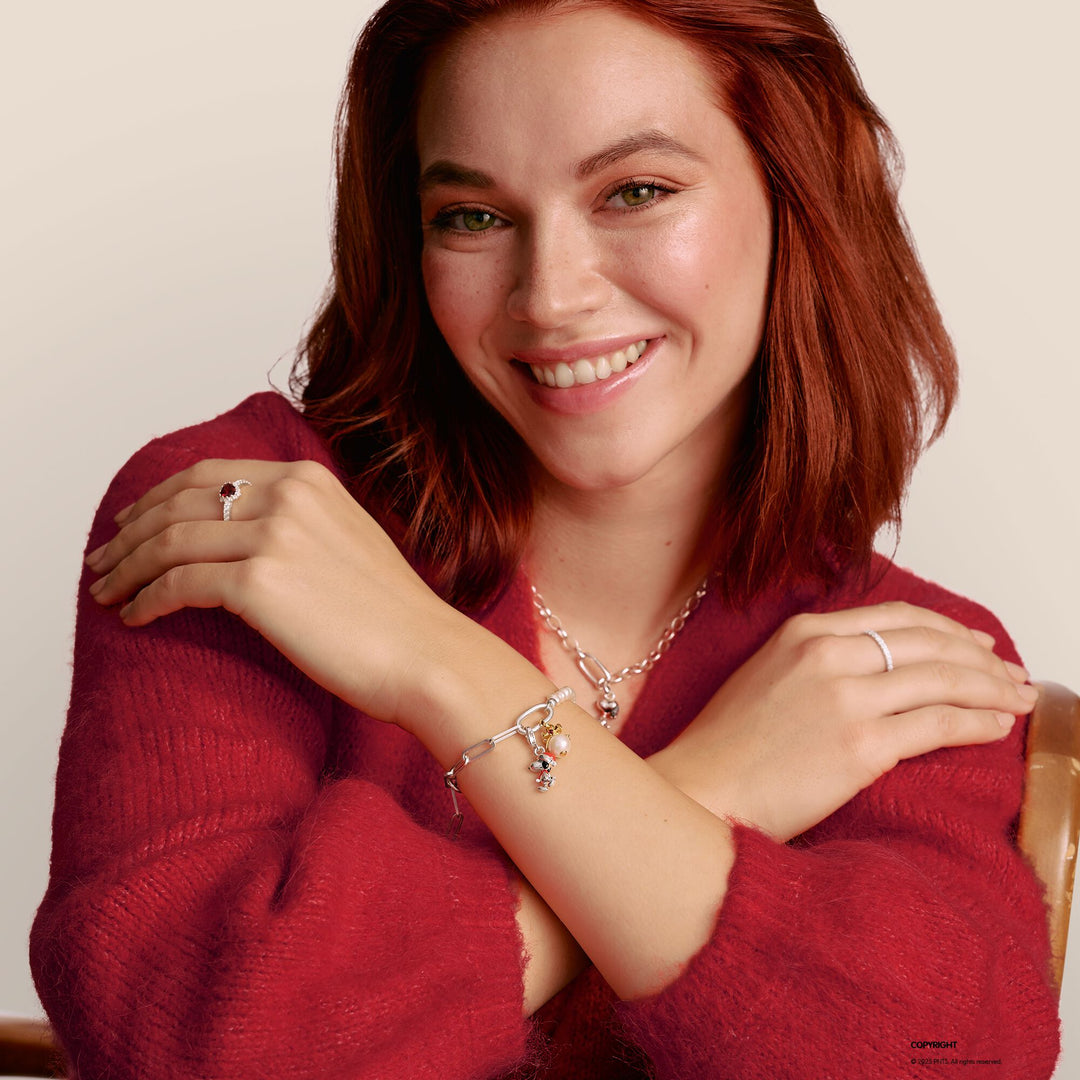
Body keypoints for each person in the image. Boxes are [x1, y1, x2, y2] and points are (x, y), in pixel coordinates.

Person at [30, 1, 1061, 1077]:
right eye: (473, 217)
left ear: (795, 194)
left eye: (636, 192)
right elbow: (191, 1046)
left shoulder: (893, 657)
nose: (551, 297)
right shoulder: (250, 517)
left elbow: (951, 1059)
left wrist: (432, 661)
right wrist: (719, 787)